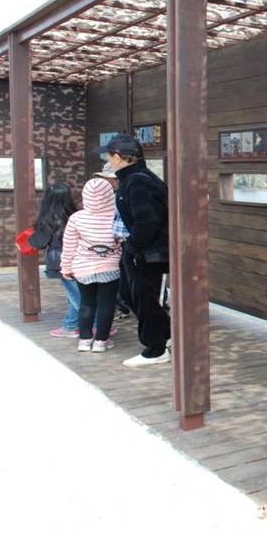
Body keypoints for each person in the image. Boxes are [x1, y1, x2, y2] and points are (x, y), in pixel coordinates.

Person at [95, 134, 171, 367]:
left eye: (108, 155)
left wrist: (134, 248)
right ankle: (166, 336)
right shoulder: (133, 179)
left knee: (146, 300)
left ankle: (156, 349)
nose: (107, 160)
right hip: (139, 252)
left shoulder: (138, 181)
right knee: (131, 296)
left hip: (148, 255)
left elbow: (147, 221)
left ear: (118, 157)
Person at [60, 178, 121, 353]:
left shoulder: (76, 218)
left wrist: (66, 267)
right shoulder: (116, 216)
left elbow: (69, 245)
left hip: (82, 267)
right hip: (110, 267)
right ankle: (101, 341)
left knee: (86, 303)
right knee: (106, 304)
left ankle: (85, 340)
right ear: (110, 196)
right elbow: (122, 240)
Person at [30, 183, 80, 337]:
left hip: (58, 260)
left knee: (77, 296)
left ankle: (88, 326)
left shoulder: (47, 220)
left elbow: (38, 243)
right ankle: (73, 325)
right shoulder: (76, 215)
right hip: (79, 258)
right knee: (77, 293)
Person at [92, 163, 133, 321]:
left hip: (128, 243)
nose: (106, 183)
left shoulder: (122, 195)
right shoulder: (113, 196)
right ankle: (124, 306)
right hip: (120, 243)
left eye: (108, 179)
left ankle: (126, 306)